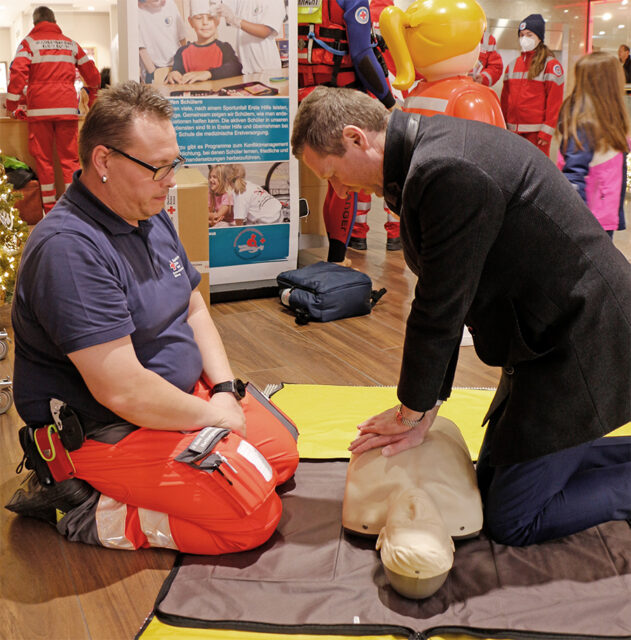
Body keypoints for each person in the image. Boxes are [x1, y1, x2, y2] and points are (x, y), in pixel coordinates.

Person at [292, 86, 631, 547]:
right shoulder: (426, 159)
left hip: (582, 338)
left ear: (355, 138)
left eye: (330, 173)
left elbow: (439, 306)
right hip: (541, 335)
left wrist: (412, 414)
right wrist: (425, 405)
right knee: (488, 483)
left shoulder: (447, 168)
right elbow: (451, 294)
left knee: (513, 519)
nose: (336, 188)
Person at [6, 81, 299, 554]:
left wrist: (224, 392)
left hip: (178, 402)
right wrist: (214, 417)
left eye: (174, 163)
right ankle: (76, 504)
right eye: (159, 167)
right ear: (103, 161)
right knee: (252, 517)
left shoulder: (148, 211)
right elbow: (122, 390)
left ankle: (194, 460)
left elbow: (193, 305)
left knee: (280, 457)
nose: (170, 179)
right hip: (111, 427)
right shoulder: (68, 249)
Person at [298, 0, 396, 263]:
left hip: (299, 99)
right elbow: (363, 55)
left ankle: (331, 261)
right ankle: (337, 260)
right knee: (342, 185)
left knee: (333, 183)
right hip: (340, 100)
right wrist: (389, 101)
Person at [5, 6, 100, 213]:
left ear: (35, 23)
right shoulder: (70, 44)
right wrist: (92, 94)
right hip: (66, 109)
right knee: (69, 160)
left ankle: (49, 209)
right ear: (55, 21)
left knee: (44, 161)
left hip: (39, 111)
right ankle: (73, 207)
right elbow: (92, 74)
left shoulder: (28, 43)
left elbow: (17, 73)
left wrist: (12, 105)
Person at [556, 52, 629, 239]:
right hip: (590, 221)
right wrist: (578, 223)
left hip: (602, 216)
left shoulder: (604, 120)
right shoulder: (585, 125)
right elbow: (573, 175)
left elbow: (613, 152)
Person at [500, 14, 564, 157]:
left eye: (529, 34)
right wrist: (502, 125)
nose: (524, 38)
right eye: (521, 35)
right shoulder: (512, 65)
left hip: (536, 134)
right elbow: (505, 99)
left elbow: (555, 101)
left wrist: (546, 132)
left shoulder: (550, 65)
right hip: (512, 131)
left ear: (539, 38)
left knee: (535, 173)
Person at [167, 0, 242, 85]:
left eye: (210, 18)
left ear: (218, 21)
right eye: (199, 18)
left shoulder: (224, 48)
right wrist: (174, 73)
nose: (205, 22)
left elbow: (236, 67)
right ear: (191, 22)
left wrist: (208, 73)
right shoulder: (182, 52)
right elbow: (177, 70)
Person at [217, 0, 285, 74]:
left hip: (266, 68)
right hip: (245, 69)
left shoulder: (274, 2)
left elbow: (265, 32)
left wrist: (236, 20)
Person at [138, 0, 186, 84]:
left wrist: (182, 65)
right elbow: (141, 48)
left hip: (176, 67)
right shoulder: (136, 11)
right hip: (154, 69)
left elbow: (181, 38)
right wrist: (154, 73)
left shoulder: (170, 4)